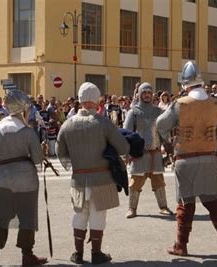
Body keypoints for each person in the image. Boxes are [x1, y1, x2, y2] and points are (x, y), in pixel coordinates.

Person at [156, 61, 217, 256]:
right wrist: (211, 142)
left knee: (185, 203)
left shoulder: (180, 104)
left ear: (185, 84)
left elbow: (160, 124)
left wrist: (171, 140)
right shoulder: (216, 103)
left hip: (185, 157)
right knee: (214, 202)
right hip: (209, 157)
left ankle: (181, 245)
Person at [57, 82, 130, 264]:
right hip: (102, 177)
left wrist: (75, 162)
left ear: (80, 99)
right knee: (98, 214)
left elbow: (60, 153)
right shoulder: (103, 122)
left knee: (79, 214)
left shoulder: (67, 125)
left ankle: (78, 253)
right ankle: (96, 253)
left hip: (79, 177)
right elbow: (123, 146)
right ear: (96, 99)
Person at [0, 90, 48, 266]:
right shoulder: (27, 132)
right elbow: (37, 160)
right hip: (27, 180)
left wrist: (3, 167)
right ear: (22, 110)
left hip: (2, 180)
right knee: (27, 217)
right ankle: (27, 255)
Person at [123, 82, 174, 219]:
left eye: (149, 93)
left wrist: (169, 149)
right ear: (139, 94)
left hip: (156, 152)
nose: (146, 95)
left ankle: (163, 207)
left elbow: (164, 133)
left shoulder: (158, 111)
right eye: (144, 92)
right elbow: (127, 133)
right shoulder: (133, 112)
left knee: (159, 182)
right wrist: (126, 153)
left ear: (152, 95)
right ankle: (132, 208)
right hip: (140, 153)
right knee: (135, 182)